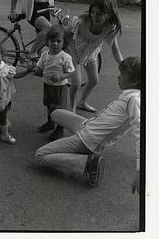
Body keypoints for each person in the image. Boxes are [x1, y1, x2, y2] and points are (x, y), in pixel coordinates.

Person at [35, 57, 141, 194]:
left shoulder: (134, 100)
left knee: (40, 155)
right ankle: (74, 149)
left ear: (134, 81)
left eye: (122, 75)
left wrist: (139, 171)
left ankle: (89, 163)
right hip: (86, 125)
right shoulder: (132, 95)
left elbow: (141, 135)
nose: (118, 77)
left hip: (87, 140)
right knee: (55, 114)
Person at [64, 0, 124, 113]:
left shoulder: (109, 28)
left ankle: (81, 102)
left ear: (109, 14)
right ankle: (72, 108)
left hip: (91, 54)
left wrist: (123, 66)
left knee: (94, 80)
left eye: (99, 14)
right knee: (76, 84)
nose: (94, 16)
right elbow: (66, 34)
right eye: (93, 12)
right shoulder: (82, 20)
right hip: (73, 52)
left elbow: (115, 51)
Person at [33, 25, 75, 141]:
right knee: (49, 105)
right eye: (52, 41)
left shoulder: (65, 57)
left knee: (59, 108)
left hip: (59, 87)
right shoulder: (45, 55)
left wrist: (61, 76)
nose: (55, 44)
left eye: (59, 41)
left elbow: (71, 72)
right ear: (47, 42)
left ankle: (60, 129)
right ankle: (50, 123)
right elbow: (39, 66)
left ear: (63, 42)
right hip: (47, 85)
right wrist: (36, 69)